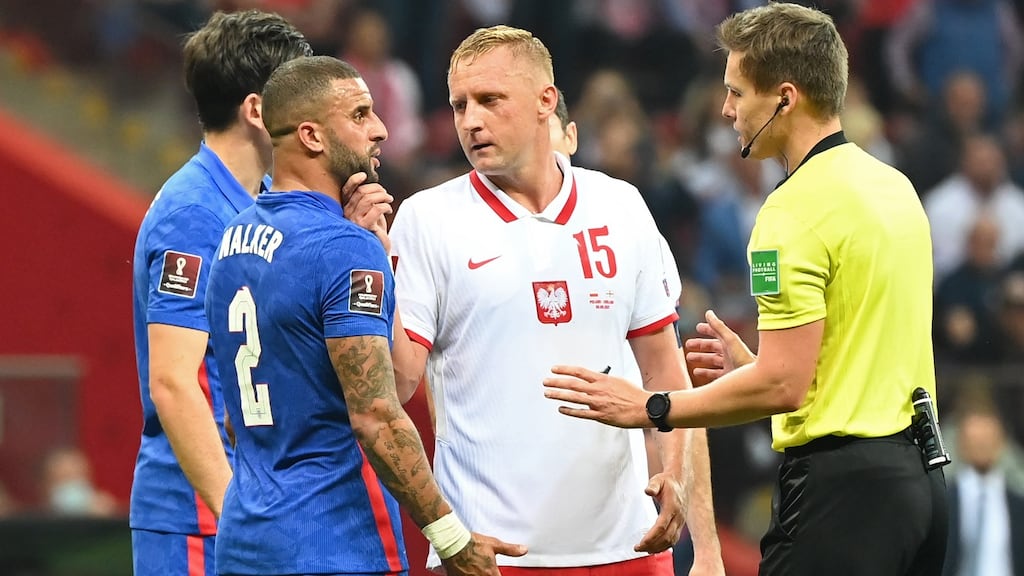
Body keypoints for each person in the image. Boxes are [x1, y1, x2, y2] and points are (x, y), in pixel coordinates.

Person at [541, 4, 948, 575]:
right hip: (924, 487)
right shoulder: (894, 187)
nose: (726, 109)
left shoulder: (788, 212)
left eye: (736, 92)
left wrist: (652, 407)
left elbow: (783, 386)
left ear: (784, 97)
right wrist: (753, 364)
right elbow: (850, 366)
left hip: (844, 499)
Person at [387, 25, 722, 574]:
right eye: (459, 105)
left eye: (490, 100)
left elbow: (665, 369)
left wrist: (677, 479)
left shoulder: (621, 206)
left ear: (547, 102)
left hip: (628, 546)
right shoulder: (428, 219)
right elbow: (397, 385)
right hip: (490, 553)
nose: (470, 120)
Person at [204, 54, 524, 575]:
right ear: (311, 136)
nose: (378, 130)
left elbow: (234, 422)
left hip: (246, 541)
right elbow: (378, 414)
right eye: (359, 115)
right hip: (332, 543)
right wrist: (451, 537)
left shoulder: (232, 240)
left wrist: (368, 242)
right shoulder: (341, 249)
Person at [129, 11, 311, 576]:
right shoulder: (193, 216)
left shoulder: (261, 200)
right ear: (258, 110)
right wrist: (239, 513)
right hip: (200, 518)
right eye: (297, 94)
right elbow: (173, 381)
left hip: (252, 504)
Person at [548, 87, 723, 575]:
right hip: (513, 535)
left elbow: (673, 389)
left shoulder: (624, 213)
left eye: (548, 138)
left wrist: (706, 548)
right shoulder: (455, 224)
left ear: (572, 137)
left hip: (622, 534)